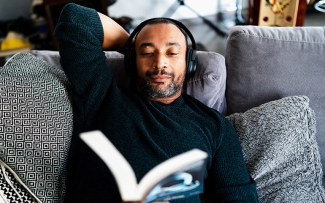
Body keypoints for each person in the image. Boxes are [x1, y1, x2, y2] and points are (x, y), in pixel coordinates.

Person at [54, 3, 258, 203]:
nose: (160, 63)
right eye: (148, 53)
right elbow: (75, 19)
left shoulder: (215, 127)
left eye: (172, 53)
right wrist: (131, 45)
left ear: (189, 62)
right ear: (132, 61)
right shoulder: (101, 94)